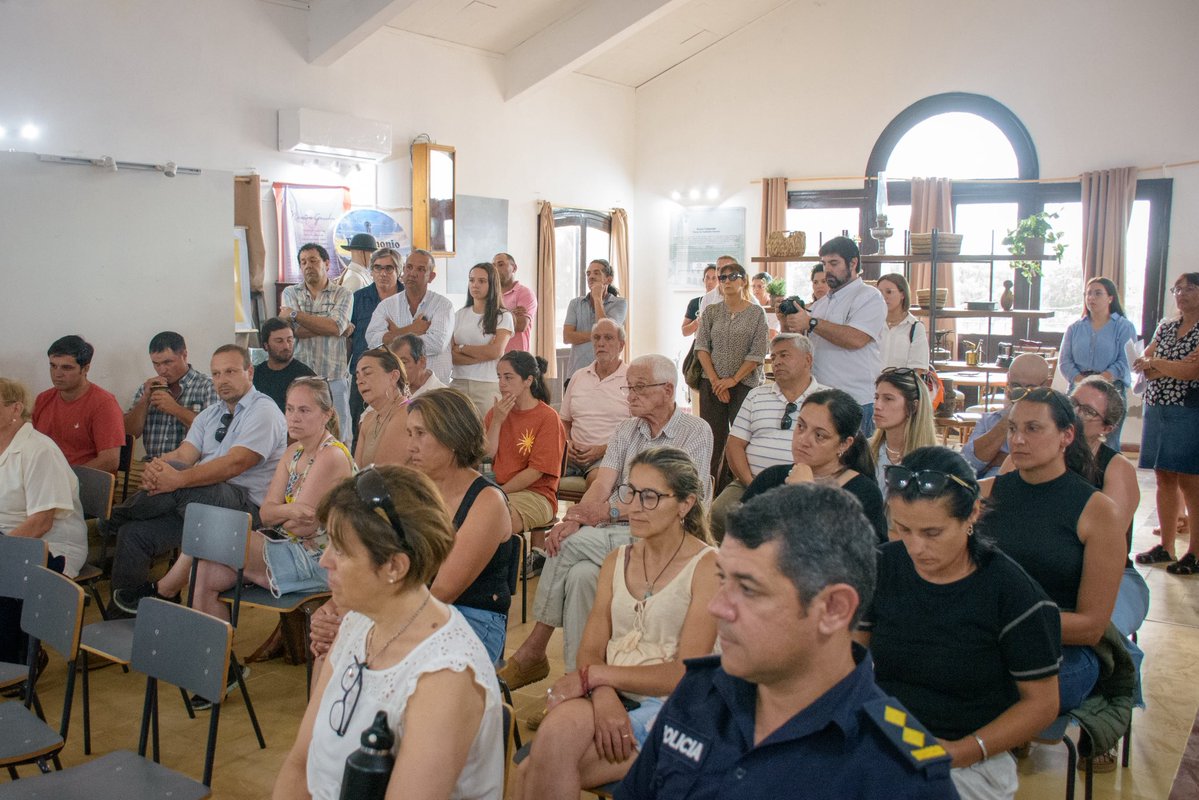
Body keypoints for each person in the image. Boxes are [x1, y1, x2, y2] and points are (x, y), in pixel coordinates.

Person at [617, 483, 957, 800]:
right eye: (723, 580)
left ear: (834, 609)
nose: (717, 606)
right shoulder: (697, 695)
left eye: (748, 589)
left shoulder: (900, 774)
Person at [273, 466, 504, 800]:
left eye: (339, 549)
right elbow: (301, 762)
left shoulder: (445, 677)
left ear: (395, 566)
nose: (324, 561)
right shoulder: (358, 623)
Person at [499, 355, 712, 698]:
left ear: (668, 390)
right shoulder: (627, 429)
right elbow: (600, 485)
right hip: (617, 528)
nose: (630, 395)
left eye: (639, 388)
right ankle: (579, 685)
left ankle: (535, 650)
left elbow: (676, 500)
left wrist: (599, 515)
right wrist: (576, 517)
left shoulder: (695, 432)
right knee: (582, 575)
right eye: (630, 387)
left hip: (663, 533)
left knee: (569, 546)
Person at [514, 448, 718, 799]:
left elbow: (686, 673)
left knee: (534, 770)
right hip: (613, 690)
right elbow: (591, 649)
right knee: (551, 738)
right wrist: (604, 694)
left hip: (674, 706)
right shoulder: (617, 559)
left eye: (651, 496)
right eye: (630, 492)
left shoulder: (708, 566)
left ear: (684, 505)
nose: (634, 506)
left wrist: (597, 677)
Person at [860, 447, 1061, 800]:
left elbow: (1042, 704)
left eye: (932, 533)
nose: (915, 547)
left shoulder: (1014, 594)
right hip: (887, 737)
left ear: (972, 514)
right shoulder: (882, 566)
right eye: (902, 529)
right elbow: (849, 659)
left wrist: (963, 750)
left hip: (971, 758)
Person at [116, 379, 354, 641]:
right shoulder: (292, 453)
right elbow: (266, 513)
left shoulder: (330, 455)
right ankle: (219, 669)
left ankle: (163, 591)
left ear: (327, 414)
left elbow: (302, 526)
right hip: (284, 544)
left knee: (212, 532)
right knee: (203, 572)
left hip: (317, 559)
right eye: (290, 409)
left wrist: (281, 513)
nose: (294, 418)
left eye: (304, 410)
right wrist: (289, 511)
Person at [979, 388, 1124, 713]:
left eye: (1033, 428)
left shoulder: (1098, 511)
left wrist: (1004, 624)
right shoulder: (983, 495)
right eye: (1013, 428)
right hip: (984, 639)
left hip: (1060, 649)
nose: (1017, 440)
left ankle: (967, 754)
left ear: (1066, 435)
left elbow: (1091, 626)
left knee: (979, 685)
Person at [106, 345, 288, 599]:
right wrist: (156, 468)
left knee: (179, 478)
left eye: (230, 372)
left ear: (249, 372)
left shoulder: (264, 411)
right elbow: (183, 455)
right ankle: (125, 615)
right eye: (216, 374)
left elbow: (235, 463)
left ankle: (116, 518)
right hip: (200, 503)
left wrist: (177, 477)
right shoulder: (210, 415)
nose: (222, 380)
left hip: (246, 508)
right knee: (134, 535)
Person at [1068, 376, 1147, 771]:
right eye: (1073, 403)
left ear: (1107, 427)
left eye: (1087, 411)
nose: (1076, 414)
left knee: (1104, 629)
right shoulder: (1041, 456)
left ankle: (1104, 723)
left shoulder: (1116, 468)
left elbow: (1106, 546)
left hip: (1116, 576)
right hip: (1059, 572)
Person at [0, 377, 88, 663]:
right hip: (10, 537)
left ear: (15, 409)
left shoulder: (39, 450)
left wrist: (3, 552)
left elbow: (41, 523)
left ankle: (19, 658)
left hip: (51, 545)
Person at [709, 334, 825, 541]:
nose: (776, 361)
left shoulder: (827, 399)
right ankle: (730, 567)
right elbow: (735, 445)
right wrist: (752, 484)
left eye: (784, 355)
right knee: (718, 512)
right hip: (750, 481)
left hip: (807, 485)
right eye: (773, 356)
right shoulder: (756, 395)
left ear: (808, 360)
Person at [741, 388, 887, 542]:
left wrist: (806, 497)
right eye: (801, 427)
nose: (803, 440)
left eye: (819, 435)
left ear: (844, 444)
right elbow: (737, 537)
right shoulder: (772, 478)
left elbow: (859, 560)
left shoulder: (863, 494)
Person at [779, 237, 886, 436]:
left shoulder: (869, 296)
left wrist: (811, 322)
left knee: (854, 464)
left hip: (856, 401)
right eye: (825, 263)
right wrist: (787, 323)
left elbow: (856, 339)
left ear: (853, 263)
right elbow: (805, 348)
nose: (827, 269)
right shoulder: (821, 304)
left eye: (834, 263)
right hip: (820, 399)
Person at [1133, 271, 1199, 575]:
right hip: (1158, 406)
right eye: (1177, 289)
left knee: (1190, 482)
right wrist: (1160, 365)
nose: (1181, 294)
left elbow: (1191, 372)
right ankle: (1167, 546)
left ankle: (1195, 552)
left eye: (1188, 288)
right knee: (1164, 478)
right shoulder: (1166, 325)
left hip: (1189, 408)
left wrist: (1156, 364)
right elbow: (1142, 364)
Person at [694, 261, 770, 482]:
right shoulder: (711, 311)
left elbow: (758, 353)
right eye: (722, 277)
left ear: (743, 280)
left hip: (744, 386)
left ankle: (738, 485)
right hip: (712, 385)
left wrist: (732, 381)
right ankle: (710, 490)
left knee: (741, 440)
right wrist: (718, 381)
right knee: (713, 441)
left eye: (732, 276)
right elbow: (701, 347)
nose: (726, 281)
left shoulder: (756, 313)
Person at [278, 243, 354, 441]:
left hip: (334, 378)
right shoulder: (290, 293)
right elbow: (292, 331)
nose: (308, 266)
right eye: (303, 262)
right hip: (302, 379)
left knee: (340, 435)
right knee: (301, 435)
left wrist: (295, 314)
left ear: (327, 264)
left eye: (313, 260)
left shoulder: (343, 294)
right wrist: (330, 326)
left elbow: (336, 326)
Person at [484, 352, 564, 536]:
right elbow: (486, 456)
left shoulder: (548, 417)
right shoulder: (495, 413)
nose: (501, 383)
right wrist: (496, 422)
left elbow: (535, 471)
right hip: (497, 490)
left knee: (494, 519)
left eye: (508, 377)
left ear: (528, 381)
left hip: (536, 495)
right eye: (499, 377)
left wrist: (499, 492)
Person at [1059, 277, 1137, 450]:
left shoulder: (1124, 326)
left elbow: (1125, 361)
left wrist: (1100, 380)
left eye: (1097, 293)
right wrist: (1082, 382)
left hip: (1111, 389)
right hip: (1078, 388)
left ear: (1110, 298)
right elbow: (1065, 362)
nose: (1091, 298)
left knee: (1108, 445)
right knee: (1073, 441)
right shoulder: (1075, 328)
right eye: (1088, 294)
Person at [33, 334, 124, 472]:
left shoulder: (104, 404)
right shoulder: (43, 399)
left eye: (66, 368)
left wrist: (65, 478)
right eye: (53, 366)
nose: (57, 374)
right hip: (43, 479)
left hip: (82, 484)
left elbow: (110, 461)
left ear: (85, 369)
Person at [365, 249, 455, 384]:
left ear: (431, 276)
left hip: (435, 388)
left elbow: (437, 343)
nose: (412, 273)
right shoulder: (387, 306)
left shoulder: (442, 305)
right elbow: (373, 341)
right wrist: (412, 329)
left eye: (420, 269)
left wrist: (393, 336)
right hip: (398, 387)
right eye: (409, 267)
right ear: (403, 270)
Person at [124, 331, 219, 459]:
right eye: (156, 364)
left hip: (193, 469)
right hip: (152, 465)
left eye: (168, 362)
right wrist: (144, 400)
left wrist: (174, 408)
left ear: (184, 355)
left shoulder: (208, 386)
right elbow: (129, 433)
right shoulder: (147, 388)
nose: (162, 370)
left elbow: (214, 432)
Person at [560, 319, 631, 488]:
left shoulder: (631, 378)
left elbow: (638, 429)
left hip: (608, 455)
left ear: (621, 345)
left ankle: (583, 515)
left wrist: (602, 449)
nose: (601, 343)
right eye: (597, 338)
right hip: (571, 455)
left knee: (597, 482)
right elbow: (564, 421)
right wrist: (567, 444)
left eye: (608, 338)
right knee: (534, 472)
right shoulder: (578, 376)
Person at [960, 354, 1052, 479]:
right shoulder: (989, 421)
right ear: (1007, 383)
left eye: (1030, 388)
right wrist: (1010, 418)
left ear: (1047, 386)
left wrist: (999, 459)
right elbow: (965, 467)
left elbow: (1050, 466)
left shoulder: (1055, 423)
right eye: (1015, 386)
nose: (1021, 394)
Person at [348, 248, 402, 433]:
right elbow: (350, 337)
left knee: (397, 429)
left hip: (397, 375)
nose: (383, 273)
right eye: (378, 268)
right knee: (361, 428)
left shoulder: (407, 298)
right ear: (371, 271)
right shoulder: (358, 298)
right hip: (363, 374)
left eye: (389, 268)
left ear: (398, 271)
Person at [451, 261, 514, 414]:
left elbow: (495, 352)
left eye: (481, 281)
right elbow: (451, 356)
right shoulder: (459, 314)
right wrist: (484, 353)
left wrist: (462, 348)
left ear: (492, 284)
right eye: (471, 280)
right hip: (458, 382)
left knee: (486, 434)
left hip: (487, 384)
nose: (475, 285)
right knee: (456, 435)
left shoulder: (503, 316)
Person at [869, 368, 937, 489]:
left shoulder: (935, 460)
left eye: (888, 399)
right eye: (876, 397)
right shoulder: (865, 451)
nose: (877, 405)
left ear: (914, 406)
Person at [564, 259, 629, 382]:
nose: (591, 277)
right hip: (576, 373)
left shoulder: (620, 303)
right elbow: (567, 337)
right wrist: (598, 336)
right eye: (588, 274)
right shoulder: (575, 303)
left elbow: (605, 329)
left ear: (608, 279)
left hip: (607, 375)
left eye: (596, 273)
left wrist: (597, 299)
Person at [353, 347, 411, 468]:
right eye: (357, 376)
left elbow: (382, 475)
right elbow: (356, 472)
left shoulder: (406, 413)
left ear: (394, 376)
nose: (359, 381)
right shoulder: (368, 419)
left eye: (367, 373)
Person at [252, 318, 316, 412]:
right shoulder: (256, 374)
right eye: (279, 341)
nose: (286, 346)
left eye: (289, 340)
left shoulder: (305, 377)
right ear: (266, 345)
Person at [877, 273, 930, 372]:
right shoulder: (873, 324)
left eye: (889, 292)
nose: (883, 297)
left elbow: (918, 369)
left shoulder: (915, 328)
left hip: (902, 386)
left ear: (902, 294)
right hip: (871, 386)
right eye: (879, 293)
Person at [494, 252, 537, 353]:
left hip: (517, 361)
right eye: (493, 266)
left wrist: (491, 317)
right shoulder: (489, 294)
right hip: (491, 358)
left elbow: (521, 325)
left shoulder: (525, 293)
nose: (495, 269)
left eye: (500, 264)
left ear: (514, 268)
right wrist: (510, 315)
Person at [392, 333, 446, 398]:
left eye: (403, 363)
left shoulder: (442, 396)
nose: (398, 370)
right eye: (394, 364)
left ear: (422, 362)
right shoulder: (392, 390)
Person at [681, 265, 719, 337]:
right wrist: (697, 322)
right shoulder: (694, 303)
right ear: (703, 280)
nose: (710, 281)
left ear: (719, 281)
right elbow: (684, 332)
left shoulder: (724, 303)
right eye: (707, 278)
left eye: (714, 278)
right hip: (698, 344)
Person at [750, 271, 781, 337]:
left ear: (769, 288)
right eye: (753, 286)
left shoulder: (773, 308)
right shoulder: (750, 306)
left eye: (760, 286)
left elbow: (772, 334)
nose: (756, 289)